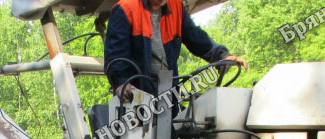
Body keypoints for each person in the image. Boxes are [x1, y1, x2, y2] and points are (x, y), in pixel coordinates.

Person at [104, 0, 249, 101]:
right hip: (136, 96)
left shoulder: (176, 8)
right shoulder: (125, 8)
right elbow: (115, 53)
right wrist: (121, 82)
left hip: (166, 92)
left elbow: (196, 37)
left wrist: (222, 55)